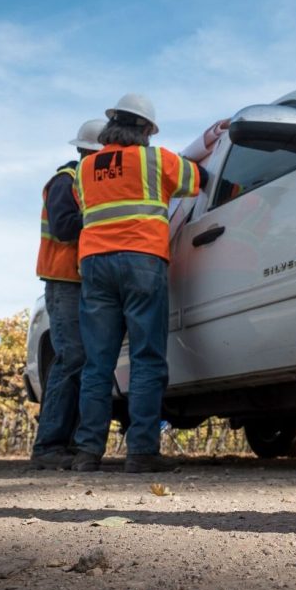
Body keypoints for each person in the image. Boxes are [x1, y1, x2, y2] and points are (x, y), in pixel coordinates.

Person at [71, 93, 208, 473]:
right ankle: (142, 451)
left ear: (113, 124)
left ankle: (87, 453)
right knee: (147, 358)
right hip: (141, 261)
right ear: (146, 128)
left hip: (95, 265)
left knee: (98, 364)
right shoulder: (156, 159)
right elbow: (199, 180)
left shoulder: (84, 170)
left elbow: (85, 206)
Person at [30, 119, 106, 470]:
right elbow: (63, 227)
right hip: (64, 282)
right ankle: (49, 446)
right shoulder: (67, 180)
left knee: (82, 361)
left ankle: (69, 444)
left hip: (79, 282)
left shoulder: (82, 181)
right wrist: (104, 217)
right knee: (71, 358)